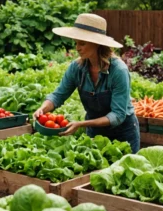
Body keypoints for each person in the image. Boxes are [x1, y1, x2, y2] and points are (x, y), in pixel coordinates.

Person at [33, 13, 140, 153]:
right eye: (76, 43)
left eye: (82, 43)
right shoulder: (76, 68)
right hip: (95, 133)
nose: (77, 48)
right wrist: (43, 108)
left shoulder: (118, 70)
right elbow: (58, 95)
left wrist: (82, 124)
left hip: (123, 134)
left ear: (97, 44)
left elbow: (118, 115)